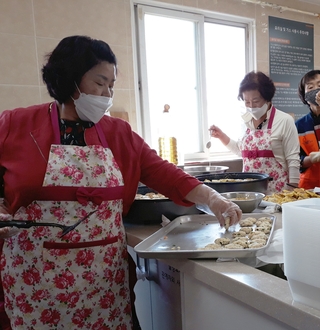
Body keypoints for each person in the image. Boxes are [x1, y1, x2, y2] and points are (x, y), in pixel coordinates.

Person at [0, 35, 242, 330]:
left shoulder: (119, 133)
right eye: (99, 83)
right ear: (69, 78)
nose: (106, 94)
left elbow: (167, 174)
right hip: (35, 282)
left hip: (103, 285)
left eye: (111, 86)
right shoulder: (15, 125)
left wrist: (213, 198)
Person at [210, 71, 300, 192]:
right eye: (247, 102)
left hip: (278, 192)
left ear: (267, 98)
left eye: (256, 101)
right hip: (249, 192)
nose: (251, 106)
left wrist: (292, 190)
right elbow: (241, 152)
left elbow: (293, 159)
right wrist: (222, 136)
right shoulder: (245, 122)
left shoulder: (284, 121)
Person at [295, 70, 320, 189]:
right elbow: (296, 160)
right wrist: (313, 158)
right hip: (310, 187)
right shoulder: (299, 125)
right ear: (304, 95)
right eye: (310, 87)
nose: (316, 90)